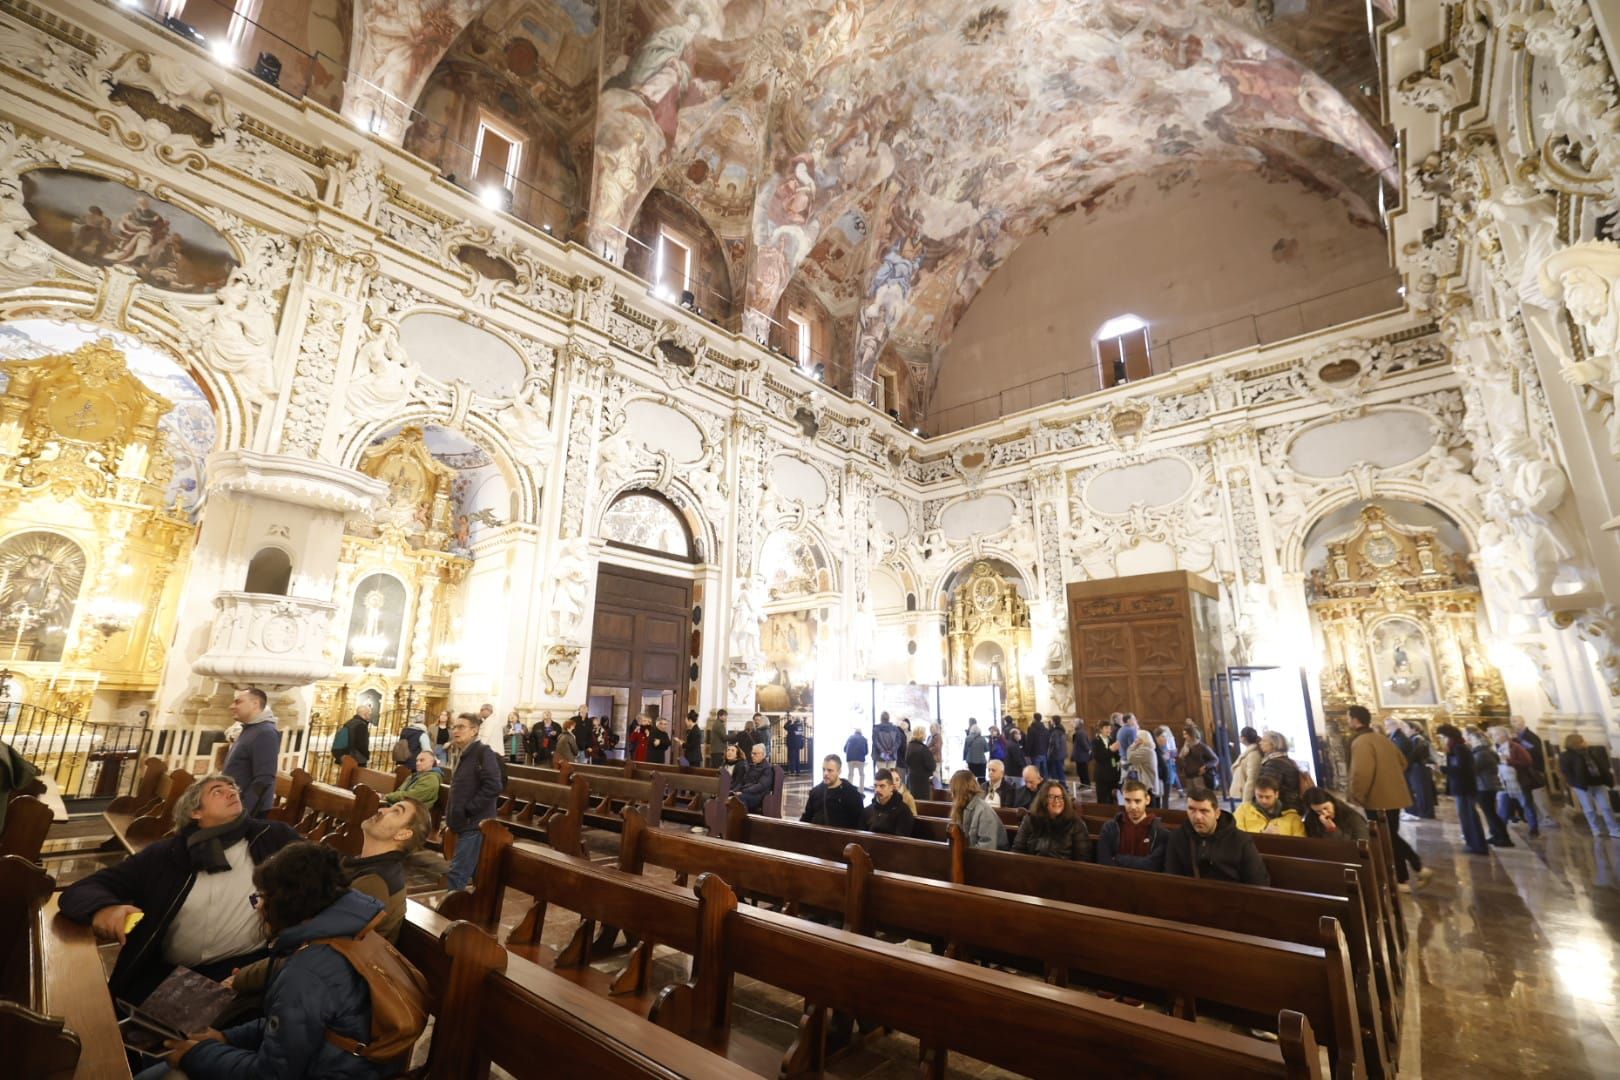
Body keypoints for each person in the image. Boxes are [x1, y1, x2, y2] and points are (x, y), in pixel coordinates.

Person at [152, 842, 397, 1080]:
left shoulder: (308, 972)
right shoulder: (348, 932)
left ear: (286, 904)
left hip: (332, 1070)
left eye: (261, 897)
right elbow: (292, 1027)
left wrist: (195, 1055)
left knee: (163, 1073)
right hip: (343, 1061)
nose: (257, 907)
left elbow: (273, 1073)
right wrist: (227, 1039)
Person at [60, 775, 299, 1003]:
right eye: (218, 791)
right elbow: (83, 889)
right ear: (195, 812)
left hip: (246, 968)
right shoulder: (166, 855)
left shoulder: (273, 838)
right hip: (169, 974)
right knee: (132, 1035)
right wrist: (103, 909)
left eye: (233, 788)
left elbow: (326, 878)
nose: (231, 792)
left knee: (215, 1037)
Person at [1345, 704, 1433, 884]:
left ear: (1355, 720)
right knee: (1390, 835)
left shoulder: (1361, 742)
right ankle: (1402, 878)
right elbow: (1403, 763)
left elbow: (1361, 772)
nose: (1347, 721)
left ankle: (1417, 866)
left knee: (1387, 836)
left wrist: (1356, 795)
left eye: (1348, 718)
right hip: (1393, 796)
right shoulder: (1382, 739)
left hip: (1377, 799)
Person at [445, 712, 504, 890]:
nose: (456, 731)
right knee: (475, 871)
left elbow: (494, 786)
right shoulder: (463, 753)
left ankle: (449, 915)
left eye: (461, 727)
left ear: (474, 731)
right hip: (463, 821)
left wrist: (470, 809)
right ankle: (475, 910)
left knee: (458, 873)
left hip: (474, 823)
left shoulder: (483, 753)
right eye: (454, 727)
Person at [1165, 784, 1269, 885]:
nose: (1197, 817)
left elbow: (1258, 882)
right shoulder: (1177, 837)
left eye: (1204, 811)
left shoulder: (1240, 840)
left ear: (1217, 813)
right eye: (1191, 809)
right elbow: (1172, 880)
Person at [222, 687, 278, 817]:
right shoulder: (252, 728)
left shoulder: (265, 732)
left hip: (248, 810)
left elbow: (265, 778)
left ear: (255, 704)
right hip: (235, 803)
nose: (231, 706)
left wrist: (244, 809)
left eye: (238, 702)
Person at [1437, 723, 1490, 855]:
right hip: (1462, 786)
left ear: (1449, 736)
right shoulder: (1457, 747)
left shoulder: (1459, 748)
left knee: (1470, 816)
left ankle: (1478, 845)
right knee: (1465, 816)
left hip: (1465, 786)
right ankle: (1472, 843)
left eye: (1443, 737)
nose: (1442, 740)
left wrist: (1441, 769)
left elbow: (1461, 768)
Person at [1096, 780, 1169, 870]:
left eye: (1137, 801)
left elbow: (1152, 865)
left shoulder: (1160, 832)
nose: (1132, 806)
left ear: (1147, 800)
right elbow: (1104, 862)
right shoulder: (1109, 827)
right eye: (1127, 800)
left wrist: (1118, 858)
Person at [1559, 732, 1619, 837]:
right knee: (1589, 809)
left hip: (1598, 782)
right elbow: (1566, 771)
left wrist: (1608, 778)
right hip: (1582, 785)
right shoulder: (1566, 756)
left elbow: (1601, 765)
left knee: (1606, 806)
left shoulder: (1591, 751)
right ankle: (1595, 829)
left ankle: (1614, 829)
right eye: (1582, 740)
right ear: (1576, 743)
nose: (1585, 741)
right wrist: (1573, 783)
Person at [1012, 779, 1090, 860]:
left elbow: (1083, 858)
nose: (1057, 801)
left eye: (1060, 797)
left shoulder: (1075, 823)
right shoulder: (1030, 819)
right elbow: (1018, 849)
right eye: (1051, 797)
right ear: (1043, 799)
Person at [1467, 728, 1514, 847]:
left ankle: (1504, 838)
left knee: (1491, 813)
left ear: (1479, 740)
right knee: (1489, 813)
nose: (1470, 741)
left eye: (1472, 739)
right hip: (1485, 785)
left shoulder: (1482, 753)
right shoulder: (1484, 752)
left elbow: (1474, 769)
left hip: (1485, 787)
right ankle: (1496, 835)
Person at [1491, 724, 1540, 835]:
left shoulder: (1516, 747)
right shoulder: (1495, 748)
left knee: (1527, 805)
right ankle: (1501, 832)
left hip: (1519, 781)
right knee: (1502, 808)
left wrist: (1509, 761)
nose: (1494, 737)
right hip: (1503, 783)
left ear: (1504, 735)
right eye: (1493, 735)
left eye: (1496, 734)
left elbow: (1527, 762)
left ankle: (1534, 828)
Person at [1511, 716, 1559, 828]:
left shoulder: (1530, 736)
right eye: (1512, 722)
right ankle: (1539, 818)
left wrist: (1519, 746)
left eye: (1516, 721)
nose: (1514, 724)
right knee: (1530, 798)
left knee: (1539, 796)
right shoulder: (1518, 737)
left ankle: (1548, 818)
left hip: (1535, 769)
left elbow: (1535, 752)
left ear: (1523, 722)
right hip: (1526, 771)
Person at [948, 769, 1007, 850]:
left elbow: (987, 847)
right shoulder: (960, 807)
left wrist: (964, 853)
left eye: (953, 790)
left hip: (993, 859)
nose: (952, 795)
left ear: (959, 791)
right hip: (971, 855)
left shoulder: (983, 811)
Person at [801, 755, 864, 828]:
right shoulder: (816, 792)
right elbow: (807, 817)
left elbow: (859, 822)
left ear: (839, 771)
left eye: (830, 770)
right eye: (823, 769)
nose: (825, 773)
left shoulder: (851, 793)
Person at [1233, 777, 1306, 836]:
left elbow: (1300, 844)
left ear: (1276, 794)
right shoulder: (1243, 810)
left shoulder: (1292, 817)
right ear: (1255, 793)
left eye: (1268, 797)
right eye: (1260, 796)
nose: (1263, 800)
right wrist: (1263, 835)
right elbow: (1236, 837)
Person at [1257, 731, 1304, 812]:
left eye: (1264, 740)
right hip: (1292, 805)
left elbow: (1267, 788)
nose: (1260, 743)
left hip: (1281, 808)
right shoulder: (1286, 760)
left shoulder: (1274, 764)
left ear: (1273, 744)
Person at [1303, 786, 1371, 843]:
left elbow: (1362, 844)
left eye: (1325, 808)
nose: (1325, 813)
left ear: (1332, 802)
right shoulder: (1312, 819)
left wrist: (1332, 830)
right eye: (1318, 811)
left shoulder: (1352, 816)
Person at [861, 769, 915, 835]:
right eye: (875, 786)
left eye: (882, 786)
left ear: (891, 788)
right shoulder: (868, 810)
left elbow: (902, 841)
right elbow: (861, 836)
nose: (877, 790)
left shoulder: (903, 811)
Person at [1124, 727, 1159, 805]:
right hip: (1148, 784)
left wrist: (1133, 745)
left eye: (1137, 738)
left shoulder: (1146, 750)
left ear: (1143, 739)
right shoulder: (1146, 749)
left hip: (1148, 786)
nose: (1135, 740)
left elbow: (1130, 757)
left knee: (1149, 809)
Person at [737, 743, 776, 812]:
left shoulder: (766, 768)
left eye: (755, 754)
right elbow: (744, 781)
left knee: (738, 799)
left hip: (758, 796)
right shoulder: (753, 766)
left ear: (763, 754)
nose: (752, 756)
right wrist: (737, 790)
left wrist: (743, 791)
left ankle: (742, 820)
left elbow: (761, 786)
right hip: (749, 793)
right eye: (752, 753)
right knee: (730, 796)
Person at [1228, 726, 1262, 807]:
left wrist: (1246, 801)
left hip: (1250, 795)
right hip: (1245, 791)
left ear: (1243, 738)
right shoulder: (1249, 751)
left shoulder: (1253, 754)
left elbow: (1251, 779)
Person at [1178, 723, 1217, 790]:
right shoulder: (1186, 747)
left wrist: (1206, 766)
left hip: (1199, 777)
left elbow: (1215, 759)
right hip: (1189, 776)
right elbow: (1181, 757)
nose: (1184, 736)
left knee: (1201, 797)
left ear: (1191, 735)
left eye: (1185, 734)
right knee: (1192, 797)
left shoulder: (1202, 747)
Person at [333, 702, 372, 769]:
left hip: (346, 756)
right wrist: (366, 755)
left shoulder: (350, 722)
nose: (370, 716)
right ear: (365, 714)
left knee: (346, 776)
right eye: (369, 714)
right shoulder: (361, 725)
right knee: (357, 778)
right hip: (356, 758)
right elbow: (361, 744)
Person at [904, 724, 935, 802]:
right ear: (921, 734)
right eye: (924, 733)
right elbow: (931, 766)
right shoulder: (923, 749)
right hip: (922, 782)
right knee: (923, 804)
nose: (926, 735)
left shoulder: (909, 747)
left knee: (913, 803)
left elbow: (906, 762)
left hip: (911, 780)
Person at [1091, 718, 1119, 803]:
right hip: (1102, 775)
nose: (1109, 730)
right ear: (1100, 729)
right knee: (1102, 798)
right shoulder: (1096, 741)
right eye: (1106, 728)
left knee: (1112, 799)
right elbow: (1099, 757)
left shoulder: (1111, 740)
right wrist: (1110, 750)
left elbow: (1115, 758)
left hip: (1112, 774)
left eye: (1110, 728)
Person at [844, 724, 869, 790]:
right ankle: (861, 790)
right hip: (860, 759)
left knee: (850, 775)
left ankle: (849, 790)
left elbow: (844, 749)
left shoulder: (850, 738)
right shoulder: (864, 739)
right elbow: (866, 752)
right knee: (861, 775)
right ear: (861, 733)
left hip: (850, 759)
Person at [1026, 714, 1049, 780]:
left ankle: (1036, 785)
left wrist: (1027, 753)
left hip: (1035, 753)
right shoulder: (1045, 729)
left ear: (1034, 719)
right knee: (1044, 771)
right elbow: (1047, 741)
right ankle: (1045, 784)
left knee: (1036, 771)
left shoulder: (1031, 729)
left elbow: (1029, 742)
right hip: (1044, 752)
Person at [1047, 715, 1068, 786]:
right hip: (1061, 754)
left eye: (1052, 720)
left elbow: (1055, 745)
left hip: (1056, 755)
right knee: (1060, 771)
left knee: (1057, 772)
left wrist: (1050, 754)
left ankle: (1061, 786)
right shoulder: (1061, 729)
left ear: (1054, 721)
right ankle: (1062, 785)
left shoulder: (1056, 732)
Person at [927, 722, 945, 787]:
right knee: (933, 775)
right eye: (931, 728)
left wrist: (927, 750)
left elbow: (937, 747)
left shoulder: (938, 737)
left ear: (936, 729)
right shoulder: (930, 737)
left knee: (936, 775)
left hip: (936, 759)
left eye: (933, 728)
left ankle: (938, 789)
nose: (931, 729)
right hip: (930, 759)